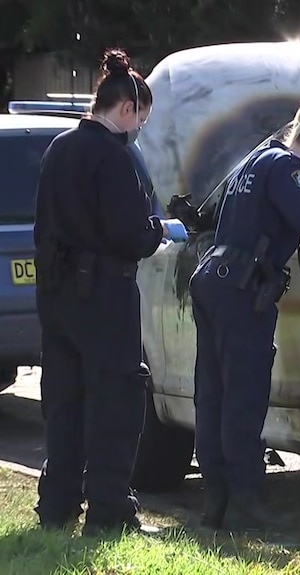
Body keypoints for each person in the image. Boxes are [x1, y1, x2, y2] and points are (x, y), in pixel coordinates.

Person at [33, 47, 189, 535]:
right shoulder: (115, 156)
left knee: (64, 402)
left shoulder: (59, 148)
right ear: (126, 109)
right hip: (105, 294)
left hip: (58, 296)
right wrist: (159, 232)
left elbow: (44, 225)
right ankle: (109, 511)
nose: (138, 127)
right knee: (116, 404)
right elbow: (129, 234)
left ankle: (56, 505)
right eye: (140, 118)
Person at [190, 98, 300, 531]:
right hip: (241, 290)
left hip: (215, 281)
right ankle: (247, 501)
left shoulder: (255, 158)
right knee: (243, 396)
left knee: (214, 395)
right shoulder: (286, 167)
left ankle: (216, 500)